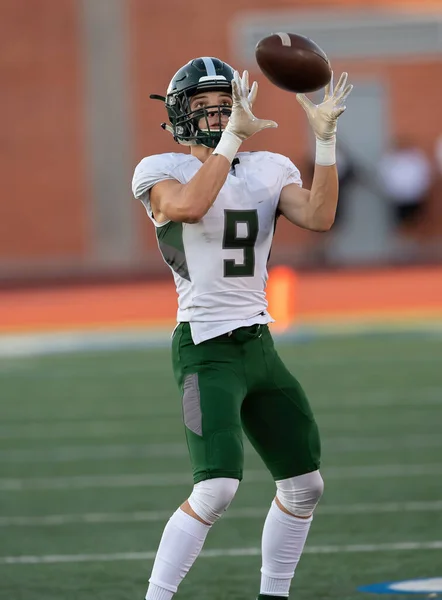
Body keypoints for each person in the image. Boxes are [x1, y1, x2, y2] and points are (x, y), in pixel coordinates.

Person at [132, 56, 353, 600]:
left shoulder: (270, 168)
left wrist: (324, 144)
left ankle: (273, 596)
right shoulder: (159, 170)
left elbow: (320, 216)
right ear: (179, 115)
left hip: (258, 343)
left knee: (305, 486)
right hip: (205, 349)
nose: (215, 116)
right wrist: (230, 140)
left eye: (224, 106)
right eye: (203, 108)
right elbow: (190, 205)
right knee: (216, 489)